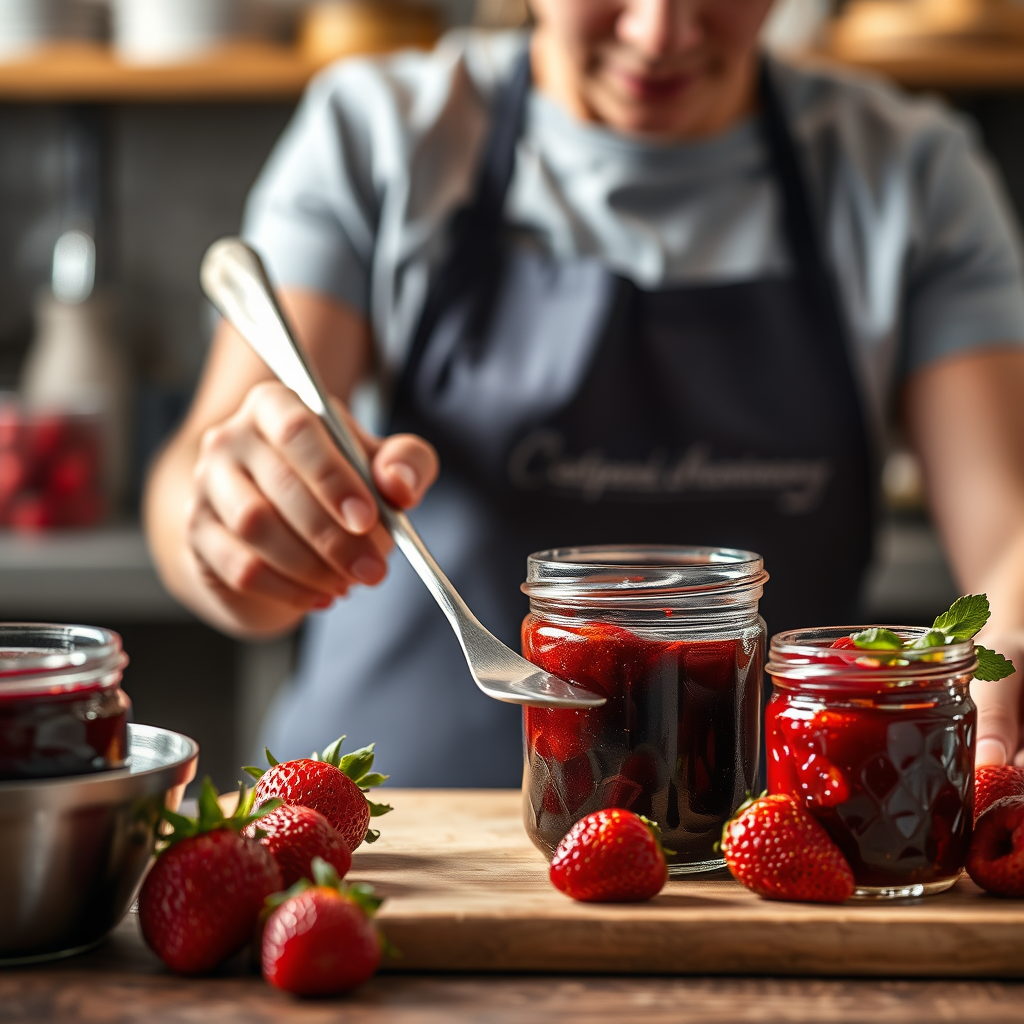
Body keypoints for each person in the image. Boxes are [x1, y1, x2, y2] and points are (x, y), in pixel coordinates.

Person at [145, 0, 1024, 786]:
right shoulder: (381, 134)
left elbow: (1009, 525)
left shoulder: (911, 176)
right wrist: (240, 524)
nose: (659, 32)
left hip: (755, 853)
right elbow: (204, 470)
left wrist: (1013, 637)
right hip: (386, 840)